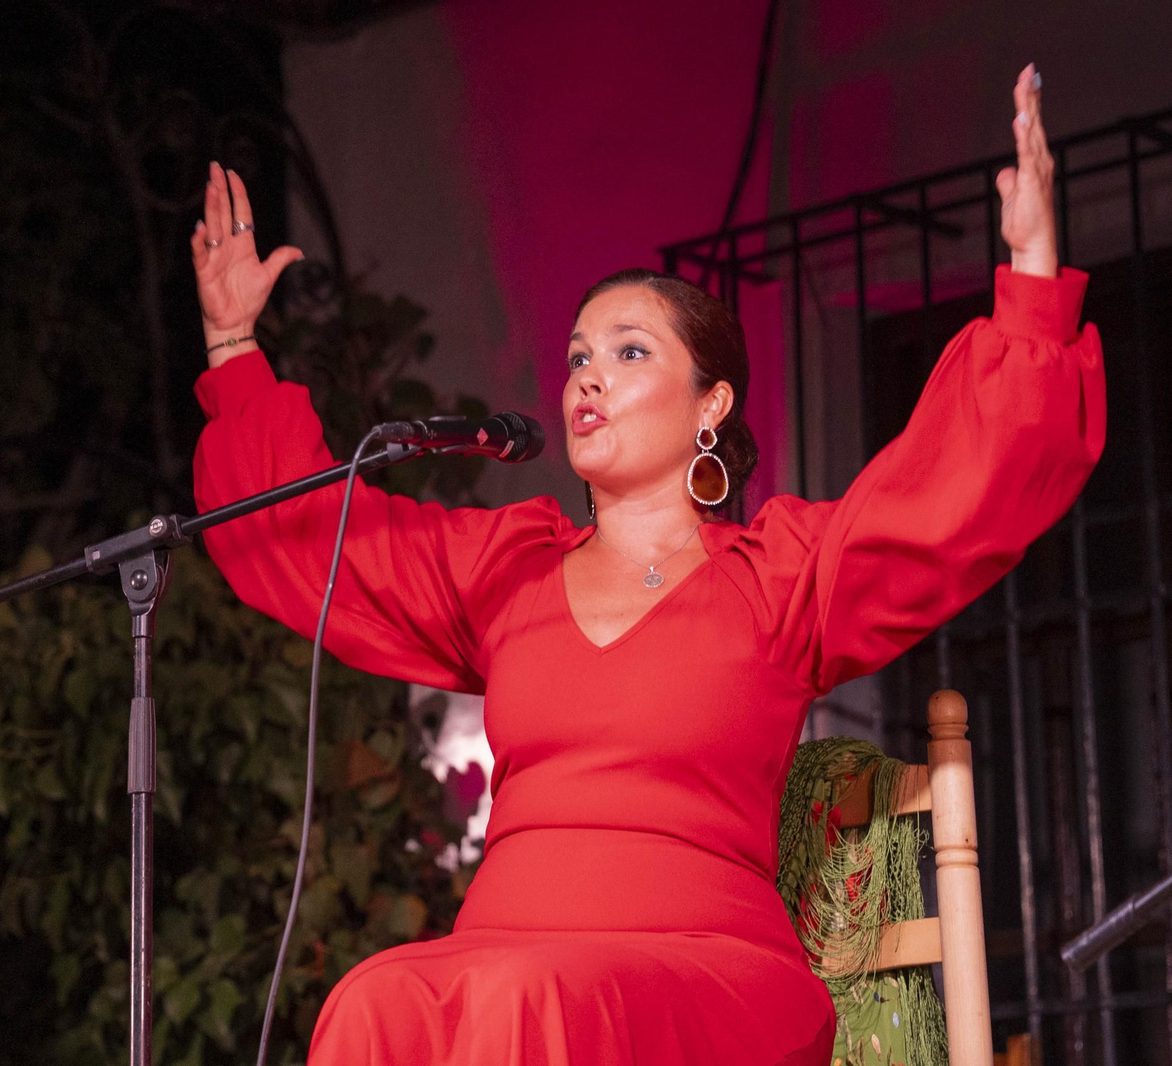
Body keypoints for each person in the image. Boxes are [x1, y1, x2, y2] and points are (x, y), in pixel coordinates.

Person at [187, 64, 1103, 1065]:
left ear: (711, 403)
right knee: (376, 997)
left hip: (705, 974)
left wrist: (1029, 282)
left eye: (629, 353)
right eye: (579, 356)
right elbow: (316, 541)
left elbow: (947, 495)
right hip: (510, 960)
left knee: (520, 997)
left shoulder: (776, 576)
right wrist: (233, 345)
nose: (589, 377)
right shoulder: (509, 569)